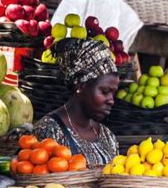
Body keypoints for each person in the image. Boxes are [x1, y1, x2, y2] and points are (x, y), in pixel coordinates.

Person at [33, 38, 120, 167]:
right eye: (105, 91)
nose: (111, 100)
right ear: (81, 86)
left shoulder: (108, 137)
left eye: (113, 93)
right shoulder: (48, 132)